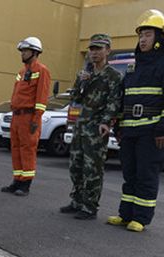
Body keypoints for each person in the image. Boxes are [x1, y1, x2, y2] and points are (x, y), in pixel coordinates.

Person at [107, 10, 164, 232]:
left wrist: (162, 129)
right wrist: (119, 126)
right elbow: (124, 99)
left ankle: (141, 218)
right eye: (141, 35)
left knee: (146, 175)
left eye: (148, 35)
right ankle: (125, 214)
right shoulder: (133, 67)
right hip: (130, 131)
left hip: (151, 131)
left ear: (159, 38)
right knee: (129, 174)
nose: (142, 39)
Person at [60, 34, 123, 220]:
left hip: (96, 128)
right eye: (92, 49)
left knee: (92, 169)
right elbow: (76, 98)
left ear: (108, 51)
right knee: (76, 166)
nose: (94, 53)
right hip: (81, 126)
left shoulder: (113, 76)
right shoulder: (85, 73)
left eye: (99, 48)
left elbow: (114, 101)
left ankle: (89, 207)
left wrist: (106, 121)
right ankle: (77, 201)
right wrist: (82, 81)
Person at [1, 37, 51, 196]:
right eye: (22, 51)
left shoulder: (42, 70)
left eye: (25, 51)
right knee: (15, 149)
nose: (22, 54)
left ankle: (25, 185)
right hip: (17, 116)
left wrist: (36, 119)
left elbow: (41, 98)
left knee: (27, 150)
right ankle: (17, 180)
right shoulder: (22, 72)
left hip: (29, 117)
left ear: (35, 52)